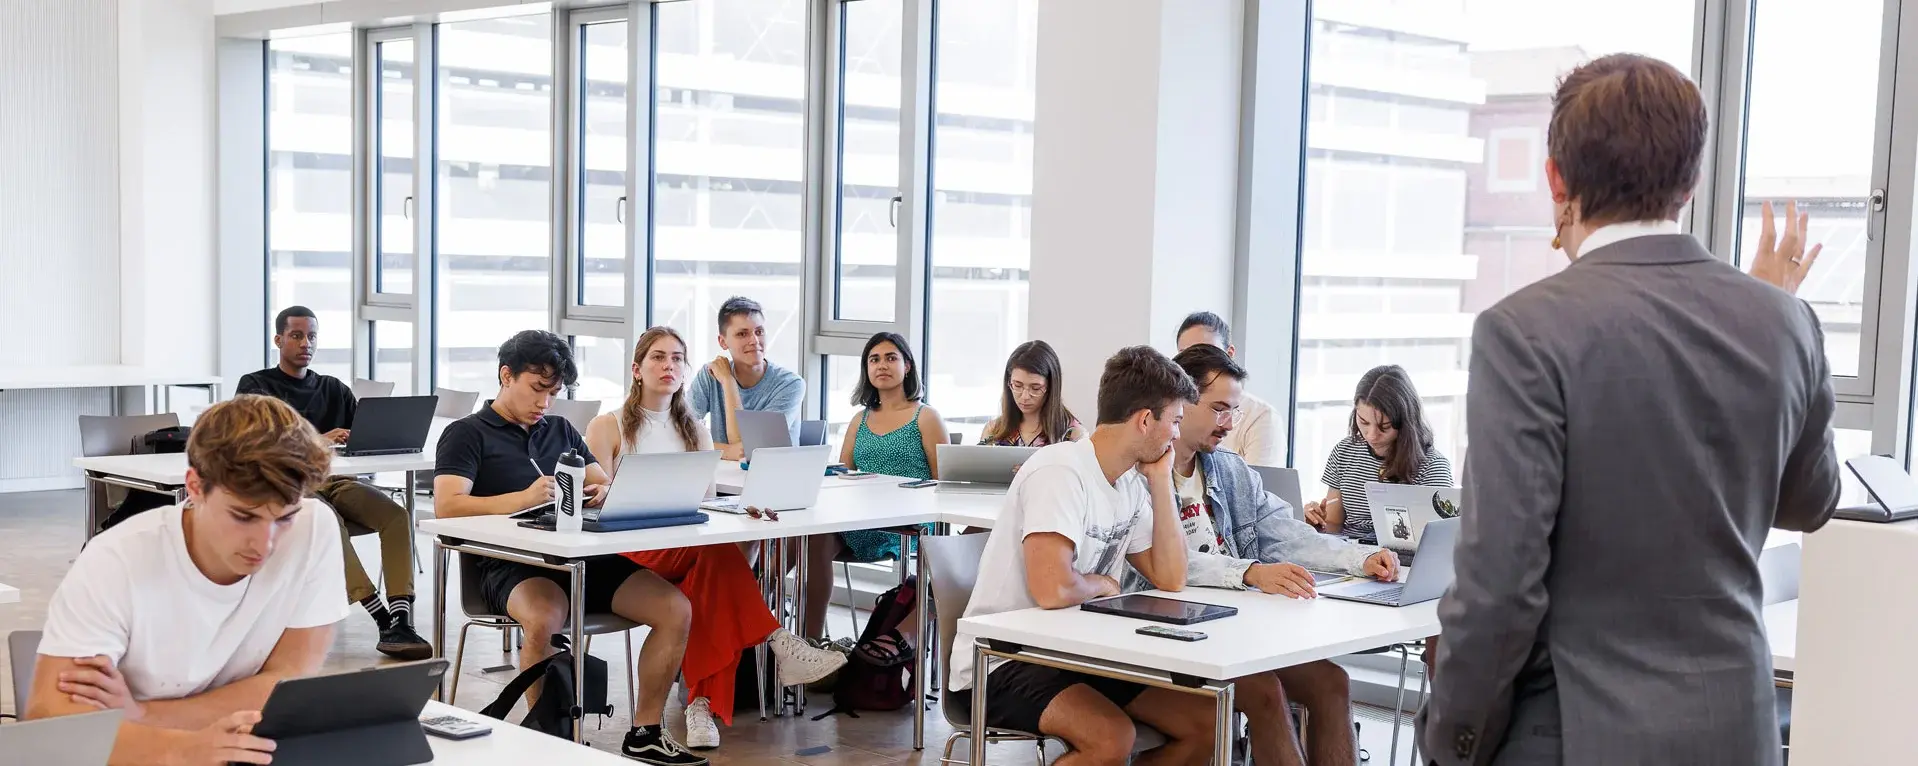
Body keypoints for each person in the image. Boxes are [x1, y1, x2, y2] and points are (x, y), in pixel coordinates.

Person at [1418, 54, 1839, 766]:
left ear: (1556, 177)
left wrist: (1453, 743)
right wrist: (1772, 328)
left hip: (1574, 735)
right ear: (1692, 181)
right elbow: (1810, 499)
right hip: (1738, 732)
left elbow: (1499, 586)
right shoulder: (1784, 322)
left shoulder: (1523, 332)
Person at [434, 330, 706, 766]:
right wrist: (524, 498)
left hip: (580, 557)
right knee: (545, 617)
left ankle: (645, 733)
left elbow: (602, 480)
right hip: (510, 562)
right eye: (537, 389)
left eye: (555, 392)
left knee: (675, 609)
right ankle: (546, 739)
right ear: (506, 376)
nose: (546, 403)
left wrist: (602, 492)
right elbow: (448, 506)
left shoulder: (559, 429)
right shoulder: (466, 433)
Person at [27, 395, 345, 766]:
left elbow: (290, 686)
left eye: (284, 517)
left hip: (232, 751)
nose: (266, 544)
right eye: (243, 517)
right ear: (194, 486)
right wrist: (177, 750)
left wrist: (144, 715)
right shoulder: (116, 560)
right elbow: (52, 723)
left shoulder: (314, 527)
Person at [583, 326, 847, 750]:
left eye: (676, 358)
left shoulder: (696, 432)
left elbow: (703, 508)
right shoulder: (607, 426)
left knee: (709, 571)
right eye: (657, 357)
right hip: (630, 554)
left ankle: (700, 706)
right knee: (717, 559)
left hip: (686, 551)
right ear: (637, 369)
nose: (668, 365)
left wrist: (744, 508)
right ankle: (774, 640)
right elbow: (594, 498)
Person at [950, 346, 1213, 766]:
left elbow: (1171, 576)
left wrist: (1161, 484)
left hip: (1078, 655)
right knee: (1111, 738)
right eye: (1176, 421)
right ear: (1145, 420)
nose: (1178, 435)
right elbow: (1053, 590)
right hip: (1003, 658)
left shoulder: (1129, 481)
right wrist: (1104, 585)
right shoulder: (1061, 471)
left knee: (1206, 724)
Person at [1152, 344, 1398, 766]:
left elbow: (1288, 532)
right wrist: (1250, 572)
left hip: (1237, 629)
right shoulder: (1146, 472)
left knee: (1332, 682)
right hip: (1178, 634)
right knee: (1265, 691)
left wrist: (1362, 558)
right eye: (1219, 410)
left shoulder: (1228, 469)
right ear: (1182, 403)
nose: (1229, 424)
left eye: (1233, 411)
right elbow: (1160, 566)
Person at [235, 305, 431, 660]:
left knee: (395, 515)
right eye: (296, 335)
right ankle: (380, 616)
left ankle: (401, 618)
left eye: (311, 336)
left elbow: (363, 441)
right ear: (278, 340)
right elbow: (253, 443)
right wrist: (318, 439)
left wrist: (374, 440)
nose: (305, 343)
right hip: (289, 487)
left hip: (335, 480)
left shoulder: (333, 389)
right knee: (328, 521)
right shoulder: (256, 386)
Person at [802, 332, 949, 658]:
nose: (882, 365)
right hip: (858, 517)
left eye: (891, 358)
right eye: (874, 359)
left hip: (906, 523)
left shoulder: (925, 416)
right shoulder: (860, 419)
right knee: (813, 538)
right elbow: (844, 473)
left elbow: (944, 481)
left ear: (907, 366)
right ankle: (808, 645)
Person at [1303, 365, 1453, 542]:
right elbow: (1333, 525)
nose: (1372, 435)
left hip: (1401, 561)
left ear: (1405, 422)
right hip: (1349, 556)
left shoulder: (1433, 467)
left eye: (1385, 427)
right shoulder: (1344, 451)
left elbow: (1439, 542)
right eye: (1364, 422)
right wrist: (1315, 523)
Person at [688, 296, 805, 461]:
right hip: (723, 479)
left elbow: (749, 450)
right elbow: (680, 434)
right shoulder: (710, 375)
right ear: (723, 342)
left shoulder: (790, 384)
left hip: (774, 479)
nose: (754, 340)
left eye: (759, 332)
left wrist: (728, 382)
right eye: (742, 334)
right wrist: (727, 451)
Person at [1175, 311, 1277, 466]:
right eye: (1186, 355)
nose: (1193, 365)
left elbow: (1263, 483)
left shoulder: (1258, 416)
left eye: (1208, 354)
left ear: (1229, 354)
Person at [978, 339, 1085, 447]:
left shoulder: (1074, 434)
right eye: (1017, 386)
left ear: (1051, 387)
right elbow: (978, 462)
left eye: (1035, 388)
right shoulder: (993, 430)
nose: (1025, 396)